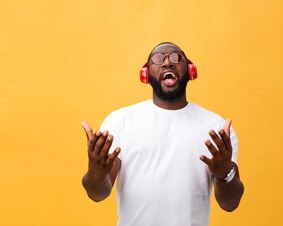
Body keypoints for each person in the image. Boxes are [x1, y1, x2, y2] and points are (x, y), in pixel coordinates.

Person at [80, 42, 244, 226]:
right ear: (146, 74)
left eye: (176, 57)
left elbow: (231, 203)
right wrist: (96, 173)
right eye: (158, 59)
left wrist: (224, 174)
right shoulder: (120, 121)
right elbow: (97, 194)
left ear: (190, 71)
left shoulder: (216, 128)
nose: (167, 63)